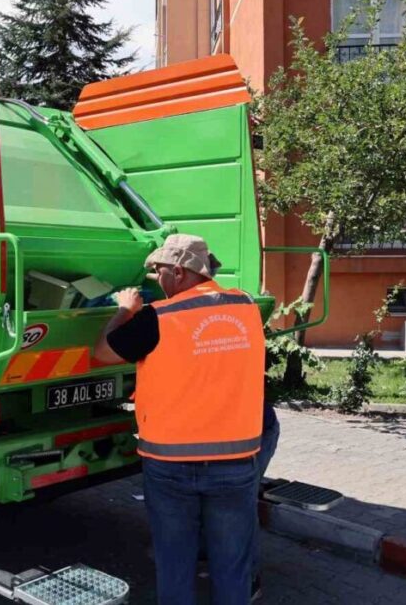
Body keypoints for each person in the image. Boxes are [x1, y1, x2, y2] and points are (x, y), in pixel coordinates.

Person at [95, 234, 265, 605]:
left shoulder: (160, 318)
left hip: (170, 466)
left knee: (175, 565)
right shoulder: (247, 307)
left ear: (178, 270)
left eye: (157, 271)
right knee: (232, 567)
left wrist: (125, 310)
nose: (156, 279)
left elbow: (103, 352)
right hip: (236, 465)